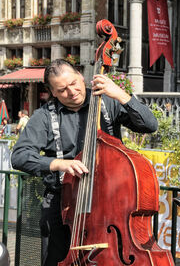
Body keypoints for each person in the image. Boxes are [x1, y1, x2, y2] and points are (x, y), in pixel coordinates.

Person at [11, 59, 158, 266]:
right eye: (62, 90)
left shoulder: (107, 102)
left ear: (81, 76)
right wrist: (59, 164)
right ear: (53, 92)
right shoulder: (44, 116)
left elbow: (150, 126)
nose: (71, 92)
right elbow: (19, 156)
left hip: (109, 206)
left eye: (73, 83)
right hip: (63, 205)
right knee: (56, 259)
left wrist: (122, 95)